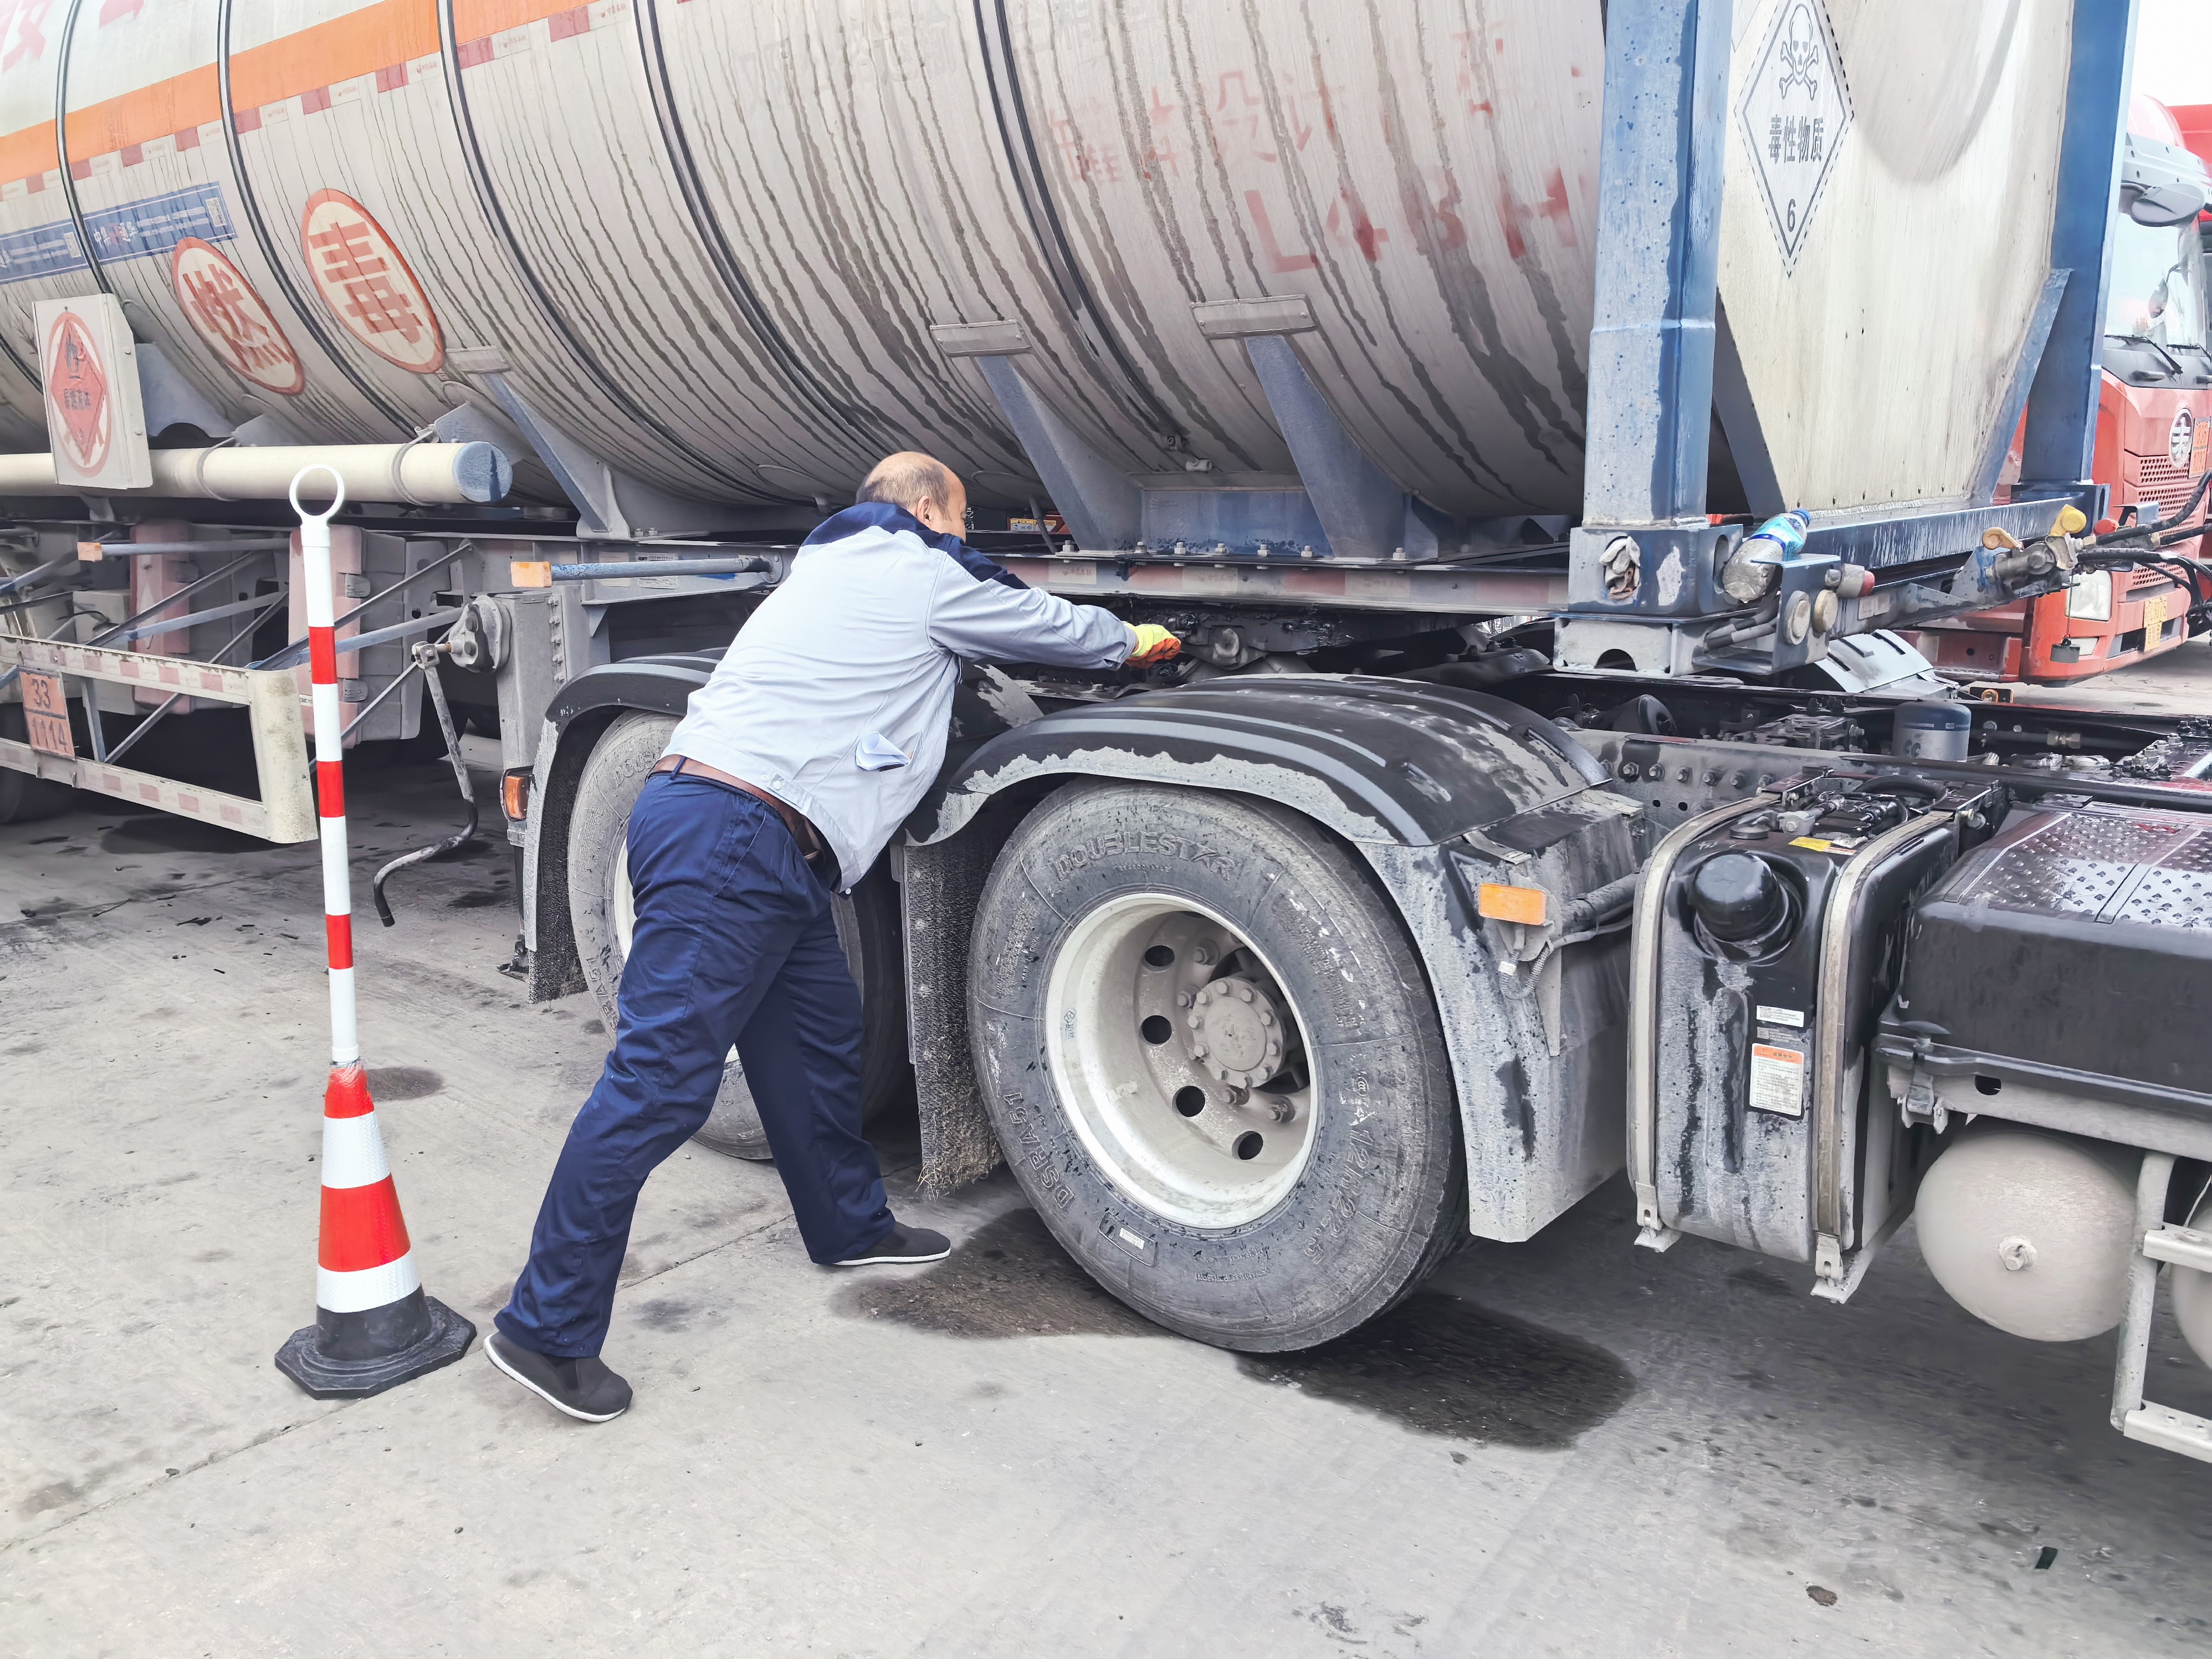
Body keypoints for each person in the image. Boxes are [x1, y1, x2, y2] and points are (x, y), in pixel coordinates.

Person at [488, 452, 1181, 1421]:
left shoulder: (830, 564)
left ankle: (848, 1226)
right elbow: (1045, 627)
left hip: (761, 840)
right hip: (735, 834)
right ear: (928, 508)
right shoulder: (916, 568)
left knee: (816, 1042)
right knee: (658, 1084)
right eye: (962, 519)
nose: (966, 537)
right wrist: (1134, 638)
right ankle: (544, 1327)